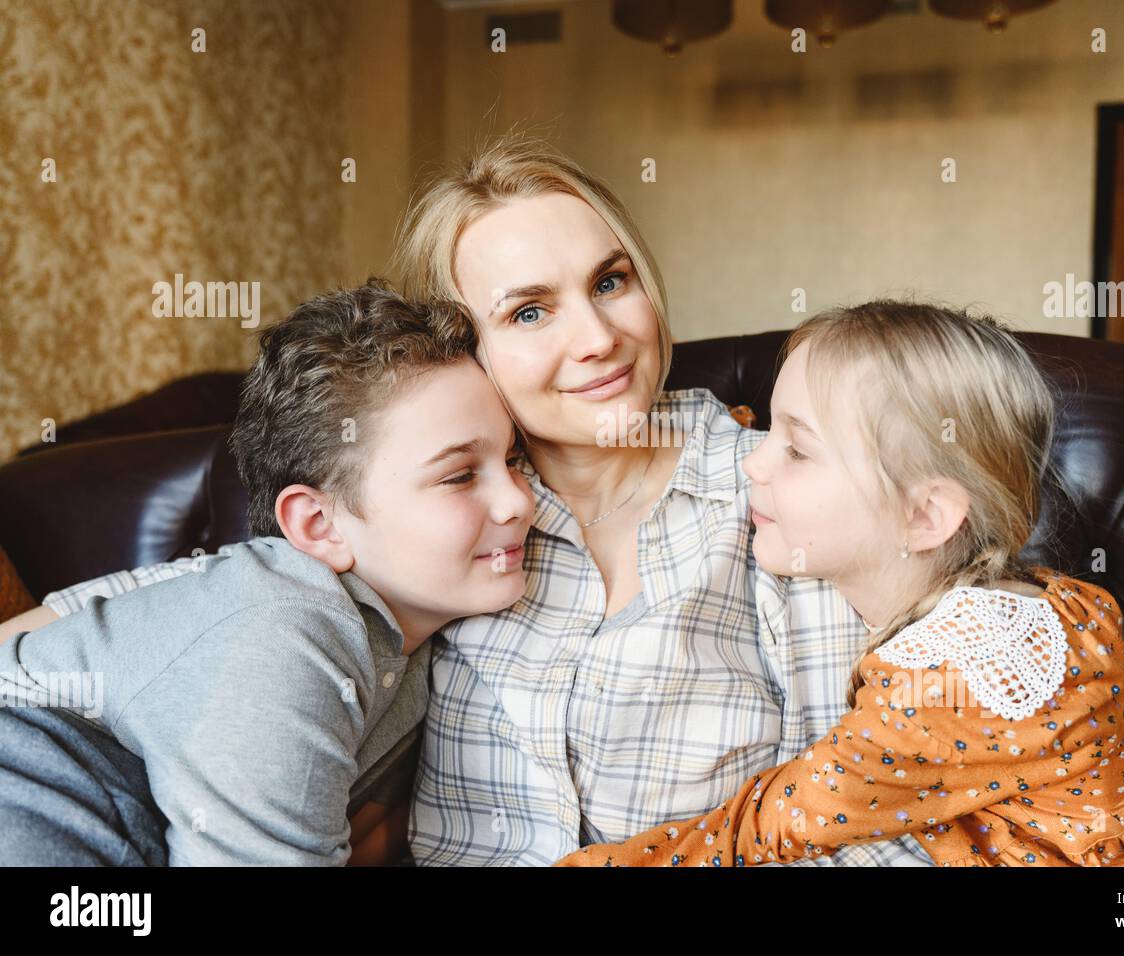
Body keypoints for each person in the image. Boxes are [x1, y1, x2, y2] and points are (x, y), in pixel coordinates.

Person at [2, 134, 931, 868]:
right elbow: (202, 608)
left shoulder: (771, 489)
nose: (600, 337)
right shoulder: (431, 521)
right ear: (460, 351)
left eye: (612, 282)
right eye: (529, 311)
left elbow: (867, 802)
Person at [554, 301, 1124, 867]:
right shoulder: (1038, 602)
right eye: (765, 432)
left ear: (924, 516)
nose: (753, 461)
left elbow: (769, 825)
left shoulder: (941, 688)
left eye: (796, 449)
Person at [0, 281, 534, 865]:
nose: (518, 503)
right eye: (458, 476)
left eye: (512, 460)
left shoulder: (408, 650)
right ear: (319, 524)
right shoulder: (286, 635)